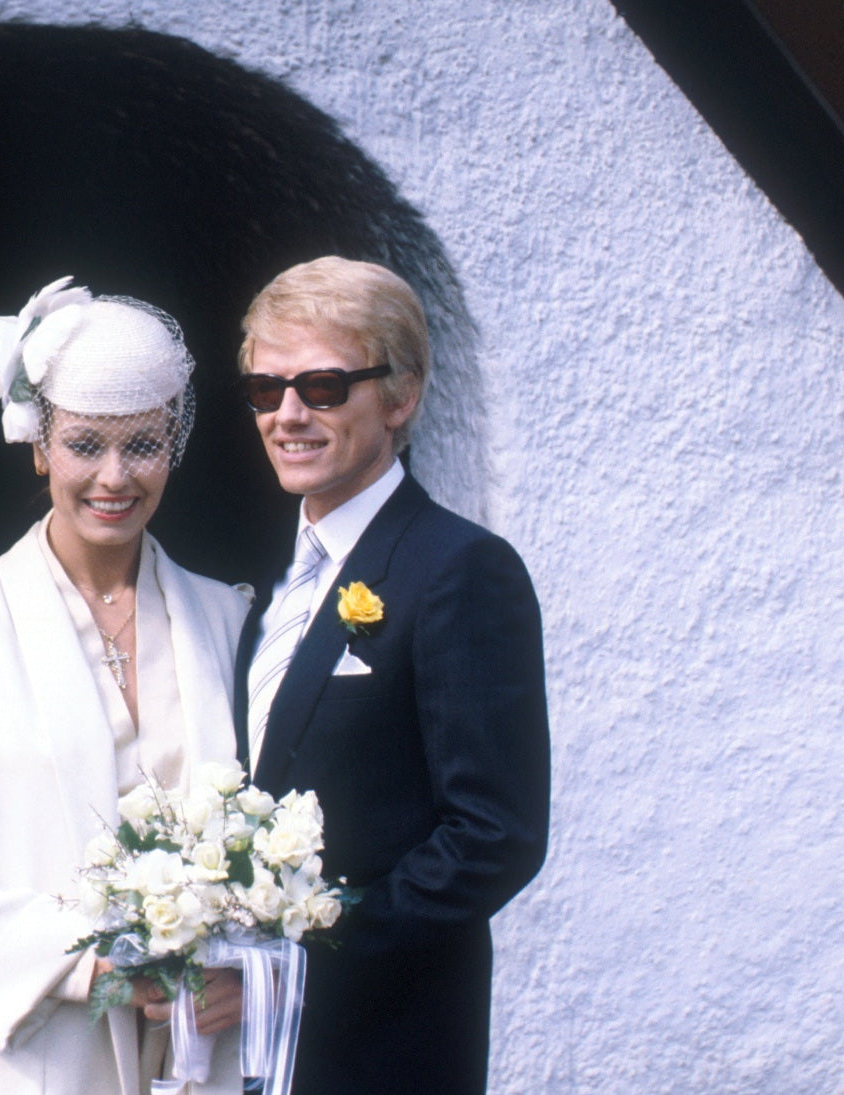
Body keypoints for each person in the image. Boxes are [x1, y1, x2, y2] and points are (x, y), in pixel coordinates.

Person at [0, 278, 247, 1095]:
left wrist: (240, 962)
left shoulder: (229, 621)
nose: (113, 476)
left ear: (173, 442)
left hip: (186, 1053)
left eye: (141, 444)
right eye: (85, 444)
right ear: (38, 443)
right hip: (10, 1051)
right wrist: (90, 958)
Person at [233, 256, 551, 1095]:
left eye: (324, 388)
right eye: (267, 390)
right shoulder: (266, 584)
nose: (288, 415)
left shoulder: (460, 569)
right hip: (261, 1055)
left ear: (401, 395)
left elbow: (494, 835)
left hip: (389, 1049)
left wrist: (302, 955)